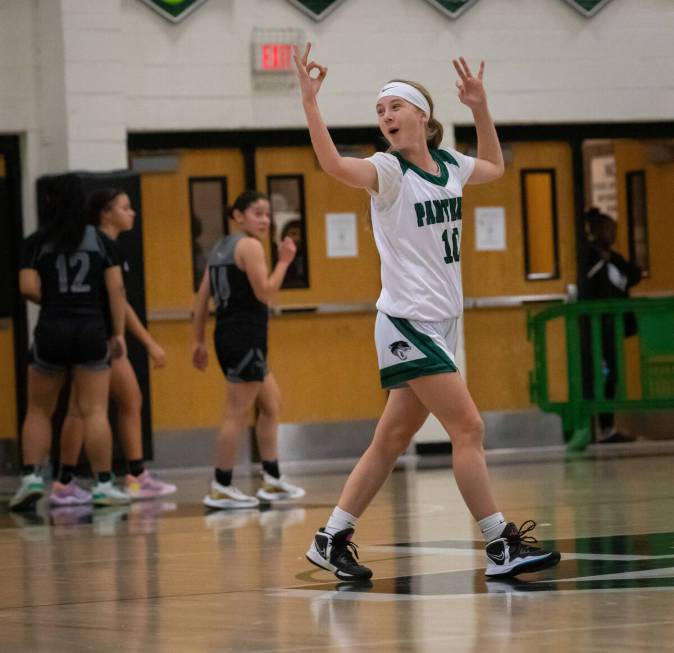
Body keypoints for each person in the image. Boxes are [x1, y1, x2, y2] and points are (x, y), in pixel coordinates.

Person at [293, 43, 561, 580]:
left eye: (395, 106)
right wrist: (310, 103)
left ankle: (331, 538)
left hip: (440, 324)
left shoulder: (448, 166)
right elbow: (331, 164)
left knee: (391, 439)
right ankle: (499, 546)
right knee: (469, 427)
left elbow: (495, 165)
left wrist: (480, 107)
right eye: (380, 110)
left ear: (423, 115)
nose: (386, 116)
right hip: (406, 321)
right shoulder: (387, 171)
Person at [10, 175, 130, 510]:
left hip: (51, 328)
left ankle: (32, 477)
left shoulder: (35, 242)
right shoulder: (102, 242)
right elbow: (116, 290)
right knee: (94, 411)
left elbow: (26, 286)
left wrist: (56, 300)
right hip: (91, 328)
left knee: (38, 409)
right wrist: (117, 332)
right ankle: (104, 484)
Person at [52, 188, 175, 505]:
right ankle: (126, 476)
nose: (132, 213)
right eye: (125, 207)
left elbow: (121, 301)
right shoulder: (103, 246)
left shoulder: (94, 242)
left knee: (93, 406)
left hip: (85, 334)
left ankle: (69, 479)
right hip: (100, 338)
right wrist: (148, 343)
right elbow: (117, 299)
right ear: (105, 212)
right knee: (94, 407)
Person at [192, 190, 306, 509]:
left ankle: (271, 479)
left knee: (271, 404)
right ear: (238, 216)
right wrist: (284, 262)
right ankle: (221, 485)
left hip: (228, 335)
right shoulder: (251, 246)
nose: (265, 219)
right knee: (236, 413)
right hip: (245, 336)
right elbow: (265, 291)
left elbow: (201, 300)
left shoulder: (219, 248)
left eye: (268, 213)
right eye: (257, 213)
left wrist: (198, 341)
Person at [578, 207, 642, 443]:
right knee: (601, 375)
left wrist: (610, 257)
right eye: (609, 230)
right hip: (596, 328)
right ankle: (599, 427)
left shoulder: (613, 258)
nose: (613, 234)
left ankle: (608, 425)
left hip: (611, 328)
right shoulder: (588, 258)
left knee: (611, 376)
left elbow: (634, 274)